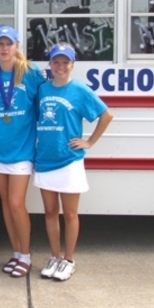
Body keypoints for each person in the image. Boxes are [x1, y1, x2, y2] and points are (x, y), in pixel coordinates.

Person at [34, 43, 113, 281]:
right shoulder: (42, 90)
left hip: (68, 160)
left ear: (72, 65)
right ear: (50, 64)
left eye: (65, 62)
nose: (60, 67)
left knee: (69, 214)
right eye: (56, 62)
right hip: (45, 159)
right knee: (49, 212)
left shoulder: (79, 90)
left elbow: (106, 115)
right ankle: (55, 256)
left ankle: (68, 260)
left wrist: (89, 142)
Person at [0, 26, 45, 278]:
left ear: (17, 46)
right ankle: (16, 252)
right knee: (6, 203)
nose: (5, 48)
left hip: (21, 149)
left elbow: (43, 102)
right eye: (0, 44)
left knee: (17, 203)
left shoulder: (30, 73)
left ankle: (26, 254)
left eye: (9, 44)